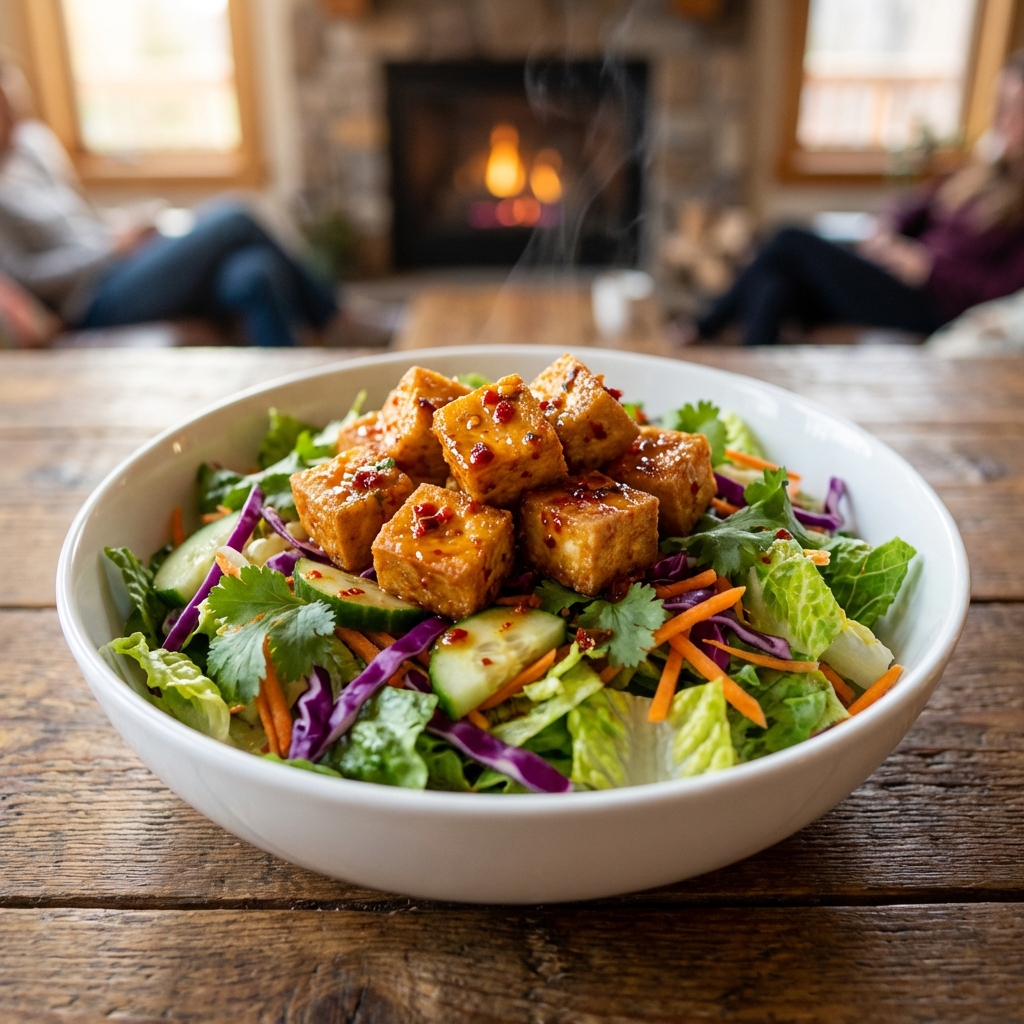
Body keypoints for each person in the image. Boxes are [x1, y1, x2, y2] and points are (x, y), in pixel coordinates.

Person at [696, 51, 1024, 346]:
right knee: (777, 283)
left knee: (788, 238)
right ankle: (755, 388)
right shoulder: (979, 173)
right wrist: (886, 232)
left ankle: (700, 330)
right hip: (899, 276)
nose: (1001, 119)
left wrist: (927, 267)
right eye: (1000, 105)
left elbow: (1001, 289)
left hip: (933, 302)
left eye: (1014, 109)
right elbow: (911, 209)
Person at [0, 62, 337, 347]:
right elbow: (30, 278)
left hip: (118, 264)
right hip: (88, 298)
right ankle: (337, 319)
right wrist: (110, 249)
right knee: (235, 217)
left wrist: (123, 225)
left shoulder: (31, 148)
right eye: (4, 106)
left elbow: (78, 220)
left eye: (12, 98)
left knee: (256, 271)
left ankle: (286, 405)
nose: (14, 113)